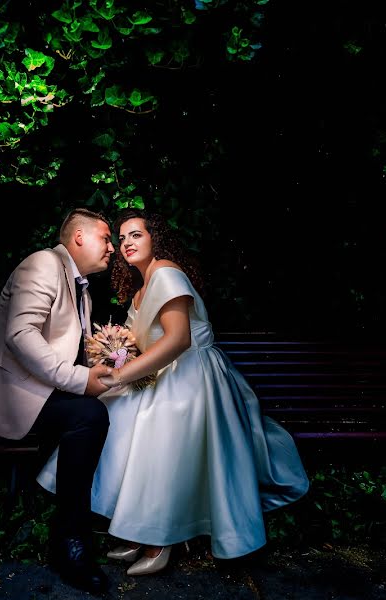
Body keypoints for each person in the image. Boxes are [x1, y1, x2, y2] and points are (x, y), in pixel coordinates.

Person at [37, 209, 310, 576]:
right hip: (162, 372)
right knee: (112, 416)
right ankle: (135, 529)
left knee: (155, 426)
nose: (126, 243)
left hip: (193, 374)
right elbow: (142, 345)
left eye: (136, 235)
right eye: (120, 238)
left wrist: (121, 375)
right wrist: (115, 352)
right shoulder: (141, 287)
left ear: (156, 239)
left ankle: (159, 538)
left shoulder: (166, 272)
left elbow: (179, 339)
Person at [0, 208, 116, 595]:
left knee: (111, 405)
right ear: (78, 237)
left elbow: (67, 350)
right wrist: (82, 380)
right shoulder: (44, 264)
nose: (113, 248)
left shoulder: (80, 287)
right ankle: (70, 542)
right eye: (106, 238)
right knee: (89, 415)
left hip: (41, 389)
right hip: (11, 394)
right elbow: (21, 335)